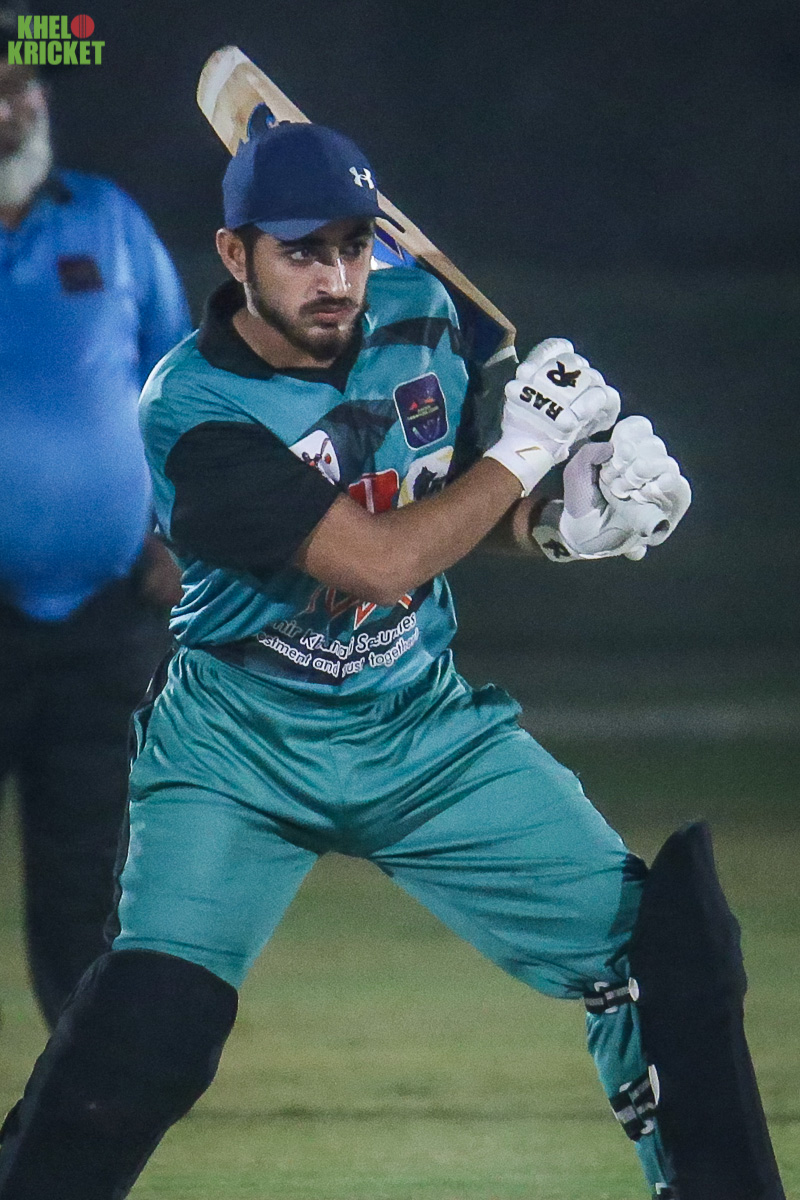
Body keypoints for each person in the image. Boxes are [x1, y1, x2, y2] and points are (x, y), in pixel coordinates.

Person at [0, 122, 784, 1200]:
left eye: (352, 246)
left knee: (666, 954)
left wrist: (561, 519)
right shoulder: (190, 409)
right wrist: (528, 451)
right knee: (147, 1036)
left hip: (420, 730)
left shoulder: (419, 312)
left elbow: (441, 493)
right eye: (299, 252)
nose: (334, 279)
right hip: (237, 753)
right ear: (233, 255)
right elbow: (378, 560)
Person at [0, 24, 190, 1029]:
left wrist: (173, 533)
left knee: (91, 893)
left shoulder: (107, 222)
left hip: (106, 621)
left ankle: (87, 1106)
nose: (7, 109)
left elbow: (181, 389)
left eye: (21, 85)